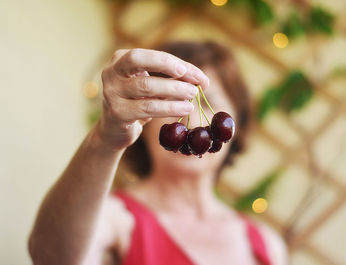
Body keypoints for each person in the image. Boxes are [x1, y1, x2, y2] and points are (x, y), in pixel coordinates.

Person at [28, 41, 287, 265]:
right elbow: (50, 257)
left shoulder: (266, 244)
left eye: (210, 101)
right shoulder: (114, 218)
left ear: (236, 122)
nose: (192, 118)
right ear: (144, 120)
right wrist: (105, 139)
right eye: (170, 100)